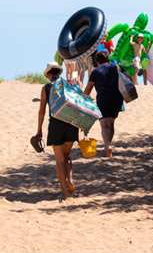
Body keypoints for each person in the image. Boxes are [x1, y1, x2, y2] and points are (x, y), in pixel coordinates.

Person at [35, 61, 78, 201]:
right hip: (71, 124)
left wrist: (39, 129)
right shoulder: (70, 85)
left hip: (55, 126)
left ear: (48, 75)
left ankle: (64, 194)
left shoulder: (46, 88)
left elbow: (41, 111)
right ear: (60, 72)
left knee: (59, 160)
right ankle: (70, 179)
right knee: (67, 156)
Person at [84, 51, 124, 158]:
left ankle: (108, 146)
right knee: (111, 124)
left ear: (97, 61)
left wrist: (83, 97)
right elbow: (128, 78)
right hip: (117, 99)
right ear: (108, 59)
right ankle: (108, 145)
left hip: (103, 99)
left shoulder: (96, 71)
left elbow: (88, 88)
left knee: (104, 125)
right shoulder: (116, 67)